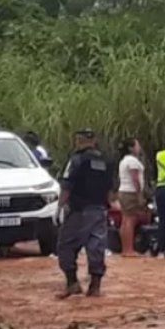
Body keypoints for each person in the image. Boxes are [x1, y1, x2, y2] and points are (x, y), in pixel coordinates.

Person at [56, 128, 115, 298]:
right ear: (94, 140)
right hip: (99, 210)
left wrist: (60, 207)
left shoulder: (76, 159)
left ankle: (72, 283)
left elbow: (67, 185)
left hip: (79, 211)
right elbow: (111, 189)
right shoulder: (106, 160)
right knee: (96, 246)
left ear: (79, 140)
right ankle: (95, 287)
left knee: (66, 245)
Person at [116, 137, 148, 257]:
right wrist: (139, 194)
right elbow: (135, 179)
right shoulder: (132, 162)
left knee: (125, 220)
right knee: (130, 220)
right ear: (131, 148)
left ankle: (125, 248)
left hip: (123, 191)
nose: (139, 148)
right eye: (137, 145)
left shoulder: (124, 160)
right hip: (130, 192)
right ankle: (129, 249)